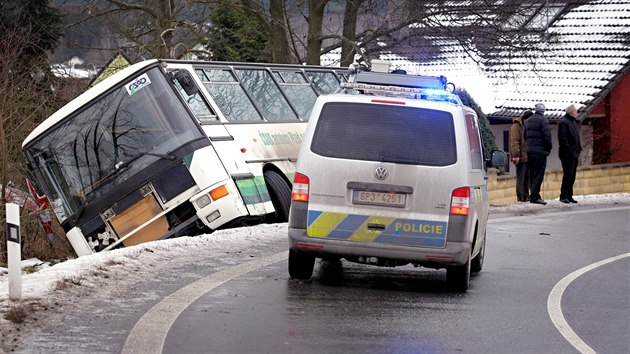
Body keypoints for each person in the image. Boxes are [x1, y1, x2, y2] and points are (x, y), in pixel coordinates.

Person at [524, 103, 552, 205]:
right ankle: (535, 196)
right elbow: (547, 136)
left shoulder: (528, 121)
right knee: (539, 174)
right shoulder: (543, 120)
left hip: (530, 151)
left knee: (532, 174)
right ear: (543, 111)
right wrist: (548, 149)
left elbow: (525, 136)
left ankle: (534, 194)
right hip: (540, 152)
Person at [558, 104, 582, 203]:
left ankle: (569, 195)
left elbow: (576, 137)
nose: (577, 113)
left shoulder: (573, 122)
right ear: (571, 112)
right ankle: (563, 195)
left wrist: (578, 148)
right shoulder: (564, 122)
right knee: (568, 174)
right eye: (576, 111)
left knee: (572, 175)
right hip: (567, 154)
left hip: (574, 153)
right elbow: (562, 138)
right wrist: (569, 150)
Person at [509, 110, 533, 202]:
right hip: (520, 157)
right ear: (525, 119)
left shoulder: (525, 126)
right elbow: (514, 142)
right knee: (521, 178)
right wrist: (516, 155)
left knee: (527, 178)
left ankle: (526, 196)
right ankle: (520, 197)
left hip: (527, 156)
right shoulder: (516, 127)